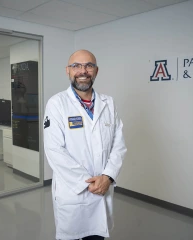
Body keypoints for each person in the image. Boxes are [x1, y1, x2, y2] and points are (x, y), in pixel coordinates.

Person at [44, 49, 127, 240]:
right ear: (68, 71)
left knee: (97, 237)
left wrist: (107, 176)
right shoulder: (57, 104)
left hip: (103, 189)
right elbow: (54, 150)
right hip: (74, 192)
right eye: (76, 66)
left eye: (89, 65)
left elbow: (119, 144)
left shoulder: (109, 103)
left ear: (96, 71)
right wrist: (88, 183)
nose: (83, 71)